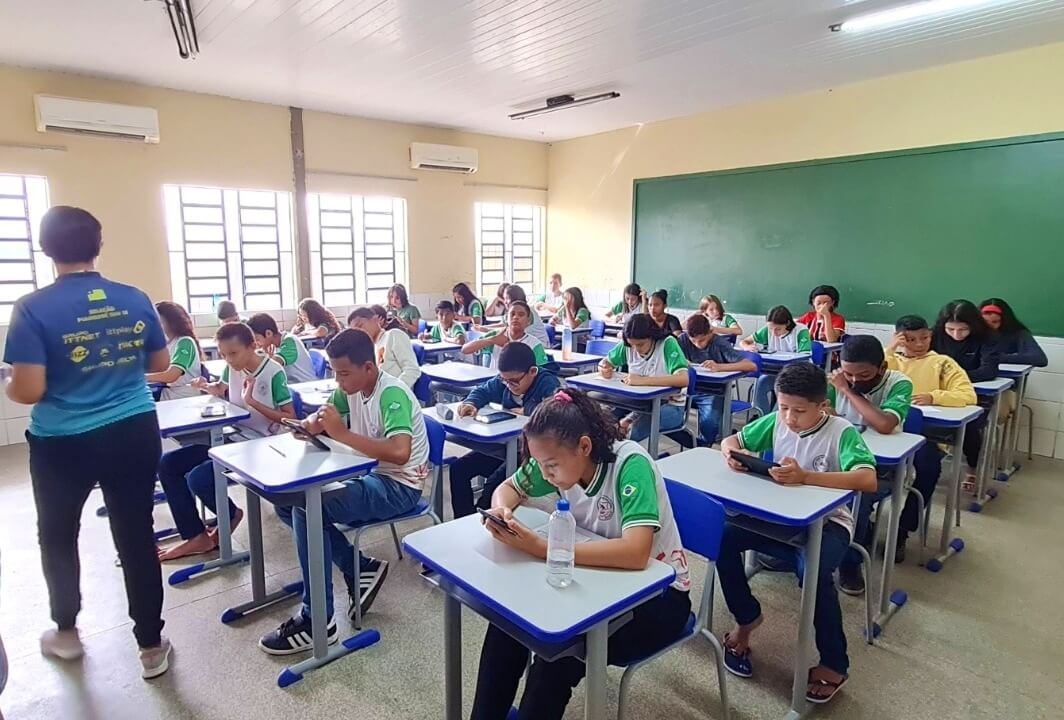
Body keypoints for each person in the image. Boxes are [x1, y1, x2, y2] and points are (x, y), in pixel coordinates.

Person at [2, 206, 172, 677]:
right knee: (136, 533)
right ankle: (151, 645)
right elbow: (157, 360)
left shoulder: (32, 308)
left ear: (46, 248)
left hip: (63, 441)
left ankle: (66, 631)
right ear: (99, 245)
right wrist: (110, 360)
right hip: (133, 428)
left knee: (58, 535)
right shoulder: (134, 297)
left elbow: (29, 389)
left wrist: (8, 383)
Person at [471, 388, 691, 720]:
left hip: (658, 599)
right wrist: (503, 511)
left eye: (551, 466)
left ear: (584, 446)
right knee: (507, 626)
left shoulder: (630, 464)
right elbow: (509, 488)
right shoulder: (559, 458)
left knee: (556, 657)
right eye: (540, 465)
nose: (545, 476)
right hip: (596, 581)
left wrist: (544, 549)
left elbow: (636, 552)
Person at [259, 329, 428, 654]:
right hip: (370, 476)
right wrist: (309, 425)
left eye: (344, 373)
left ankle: (317, 618)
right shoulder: (350, 388)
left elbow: (399, 452)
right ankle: (358, 568)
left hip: (399, 485)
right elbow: (324, 415)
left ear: (369, 367)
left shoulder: (391, 393)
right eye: (335, 372)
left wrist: (340, 433)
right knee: (288, 504)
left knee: (307, 508)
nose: (338, 381)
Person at [718, 362, 876, 706]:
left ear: (822, 405)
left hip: (830, 522)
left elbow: (867, 479)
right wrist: (733, 454)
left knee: (813, 571)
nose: (789, 418)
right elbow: (731, 439)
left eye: (799, 411)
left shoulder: (841, 431)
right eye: (784, 407)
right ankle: (746, 619)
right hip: (780, 516)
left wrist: (806, 477)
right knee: (723, 536)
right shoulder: (777, 419)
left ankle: (835, 663)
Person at [156, 323, 297, 562]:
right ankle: (195, 535)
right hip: (234, 437)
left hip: (262, 445)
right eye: (223, 355)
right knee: (168, 464)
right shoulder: (232, 369)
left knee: (199, 478)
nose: (229, 360)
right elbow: (221, 389)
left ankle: (230, 515)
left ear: (253, 346)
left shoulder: (273, 372)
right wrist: (206, 387)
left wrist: (252, 402)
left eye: (233, 353)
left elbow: (291, 416)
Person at [885, 315, 976, 561]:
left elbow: (967, 394)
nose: (918, 344)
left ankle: (903, 530)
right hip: (889, 432)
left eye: (924, 337)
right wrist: (891, 348)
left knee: (928, 469)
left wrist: (934, 396)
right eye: (910, 339)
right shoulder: (889, 360)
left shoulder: (942, 363)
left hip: (926, 435)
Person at [827, 335, 913, 595]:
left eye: (863, 375)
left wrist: (847, 390)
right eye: (849, 374)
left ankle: (850, 564)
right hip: (838, 460)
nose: (855, 380)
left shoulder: (900, 383)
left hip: (883, 469)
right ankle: (804, 547)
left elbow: (885, 424)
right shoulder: (836, 380)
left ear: (882, 368)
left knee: (857, 500)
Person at [447, 342, 561, 518]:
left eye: (514, 381)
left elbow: (556, 408)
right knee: (458, 468)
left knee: (494, 485)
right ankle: (463, 519)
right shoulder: (506, 380)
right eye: (504, 380)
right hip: (505, 447)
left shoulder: (547, 382)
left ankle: (482, 520)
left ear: (532, 371)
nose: (508, 385)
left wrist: (529, 409)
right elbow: (483, 390)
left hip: (528, 454)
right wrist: (471, 403)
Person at [932, 300, 999, 488]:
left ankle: (972, 469)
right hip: (938, 392)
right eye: (950, 329)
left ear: (973, 326)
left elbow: (988, 371)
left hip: (973, 395)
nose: (956, 335)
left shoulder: (987, 337)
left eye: (962, 330)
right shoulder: (935, 334)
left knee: (970, 428)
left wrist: (954, 379)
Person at [599, 313, 689, 442]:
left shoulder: (667, 343)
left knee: (630, 433)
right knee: (605, 423)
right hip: (638, 405)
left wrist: (643, 380)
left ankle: (631, 459)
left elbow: (683, 379)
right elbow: (605, 362)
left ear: (652, 336)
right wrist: (604, 369)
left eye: (640, 345)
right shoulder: (628, 344)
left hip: (670, 406)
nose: (635, 349)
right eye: (632, 345)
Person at [678, 314, 756, 446]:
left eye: (702, 340)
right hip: (687, 391)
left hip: (714, 392)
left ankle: (703, 445)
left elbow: (751, 365)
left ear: (710, 332)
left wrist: (720, 367)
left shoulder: (719, 343)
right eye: (693, 341)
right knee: (665, 416)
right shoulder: (683, 339)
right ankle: (694, 444)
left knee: (709, 423)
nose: (698, 344)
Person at [741, 305, 812, 415]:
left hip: (796, 374)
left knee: (783, 392)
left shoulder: (800, 330)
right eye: (771, 328)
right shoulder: (768, 330)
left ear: (787, 324)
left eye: (778, 329)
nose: (774, 333)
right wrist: (747, 347)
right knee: (760, 383)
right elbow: (744, 341)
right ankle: (763, 418)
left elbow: (804, 357)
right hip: (775, 371)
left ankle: (775, 421)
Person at [462, 301, 549, 371]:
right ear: (506, 319)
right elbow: (465, 349)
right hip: (495, 386)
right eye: (512, 314)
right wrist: (492, 340)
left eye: (521, 315)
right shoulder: (496, 336)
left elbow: (541, 373)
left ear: (528, 322)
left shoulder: (534, 344)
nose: (515, 317)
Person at [348, 306, 421, 388]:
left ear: (375, 319)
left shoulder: (393, 335)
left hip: (395, 395)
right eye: (356, 331)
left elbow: (412, 370)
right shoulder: (371, 348)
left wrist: (394, 391)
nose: (360, 332)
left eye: (360, 326)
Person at [146, 301, 203, 400]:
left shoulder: (184, 342)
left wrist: (142, 378)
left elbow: (172, 375)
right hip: (170, 393)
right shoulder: (167, 343)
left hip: (185, 396)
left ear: (172, 322)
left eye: (159, 322)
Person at [247, 312, 316, 383]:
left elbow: (274, 365)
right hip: (293, 384)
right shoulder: (274, 344)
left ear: (268, 333)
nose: (256, 344)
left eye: (257, 339)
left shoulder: (290, 341)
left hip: (305, 385)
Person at [979, 298, 1048, 367]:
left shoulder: (1018, 333)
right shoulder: (974, 333)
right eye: (985, 322)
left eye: (995, 322)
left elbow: (1040, 359)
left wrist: (996, 357)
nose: (990, 326)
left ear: (1005, 321)